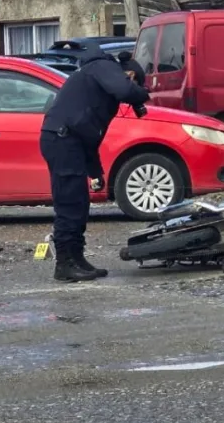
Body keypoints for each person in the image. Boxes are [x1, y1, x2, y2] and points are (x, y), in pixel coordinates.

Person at [40, 44, 150, 283]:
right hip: (62, 138)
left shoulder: (97, 86)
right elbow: (123, 89)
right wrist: (141, 94)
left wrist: (96, 172)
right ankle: (65, 264)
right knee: (69, 204)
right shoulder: (103, 66)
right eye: (134, 81)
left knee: (79, 204)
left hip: (69, 140)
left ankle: (77, 259)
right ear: (129, 74)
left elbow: (91, 136)